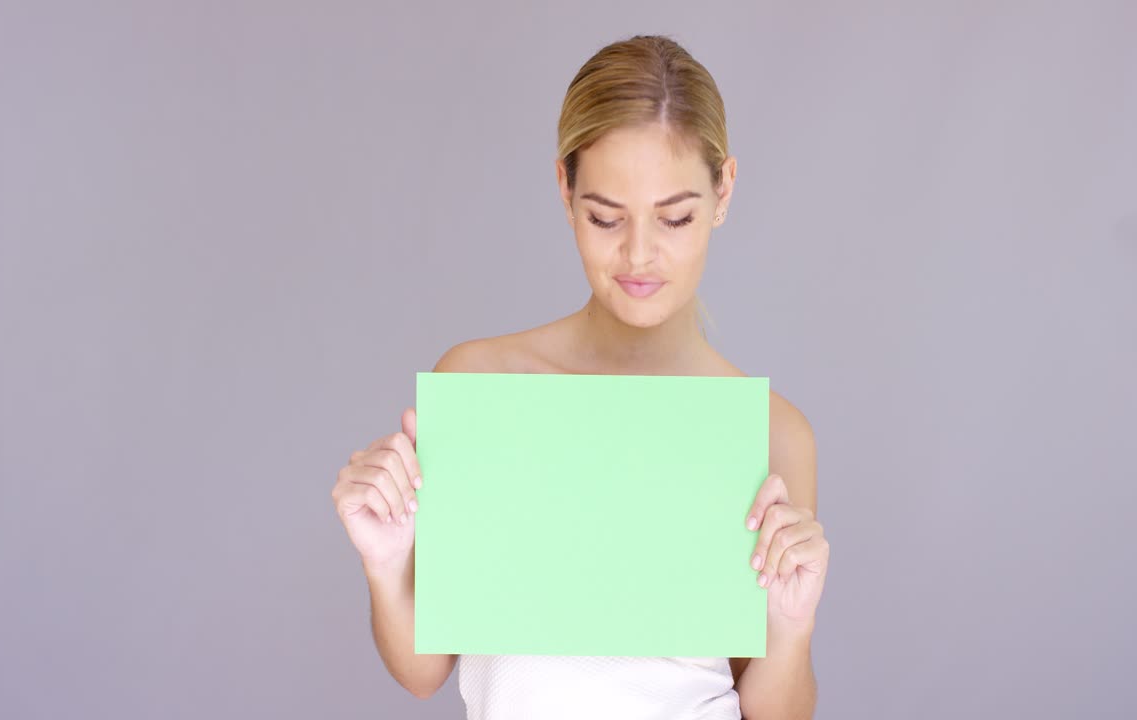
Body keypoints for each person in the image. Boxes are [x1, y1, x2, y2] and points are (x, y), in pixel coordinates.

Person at [331, 33, 829, 720]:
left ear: (724, 191)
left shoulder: (770, 433)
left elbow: (773, 712)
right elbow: (424, 673)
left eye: (675, 217)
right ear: (565, 190)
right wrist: (387, 563)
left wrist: (791, 626)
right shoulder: (483, 386)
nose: (640, 254)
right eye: (605, 217)